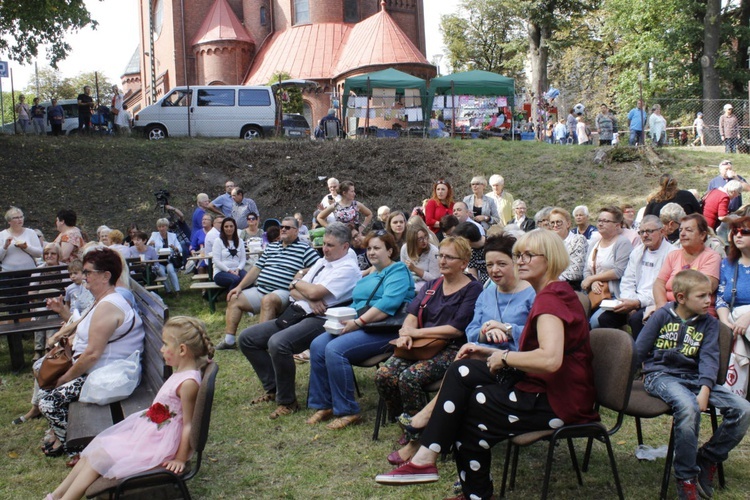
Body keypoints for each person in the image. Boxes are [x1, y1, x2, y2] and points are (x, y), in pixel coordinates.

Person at [375, 229, 597, 499]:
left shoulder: (550, 300)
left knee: (467, 404)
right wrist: (484, 349)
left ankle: (431, 459)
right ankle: (439, 467)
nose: (521, 261)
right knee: (463, 371)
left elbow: (550, 360)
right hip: (542, 388)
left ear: (549, 259)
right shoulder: (550, 293)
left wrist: (503, 357)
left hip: (558, 400)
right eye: (518, 255)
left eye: (529, 255)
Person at [45, 316, 214, 499]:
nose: (161, 349)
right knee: (97, 448)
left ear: (182, 350)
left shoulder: (188, 383)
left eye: (165, 344)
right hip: (150, 434)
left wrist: (180, 458)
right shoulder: (182, 372)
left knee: (101, 456)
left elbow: (188, 424)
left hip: (159, 445)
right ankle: (57, 495)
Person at [635, 270, 750, 499]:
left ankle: (707, 458)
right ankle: (686, 477)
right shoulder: (661, 316)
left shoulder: (709, 324)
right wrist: (625, 379)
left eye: (710, 295)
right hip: (662, 375)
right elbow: (638, 349)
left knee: (744, 409)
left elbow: (709, 359)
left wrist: (705, 390)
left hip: (696, 379)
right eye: (702, 296)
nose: (709, 301)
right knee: (688, 407)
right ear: (680, 297)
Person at [238, 222, 360, 419]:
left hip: (321, 320)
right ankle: (275, 387)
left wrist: (301, 286)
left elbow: (313, 290)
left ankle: (287, 402)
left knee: (278, 343)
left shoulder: (347, 267)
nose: (324, 249)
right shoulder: (323, 261)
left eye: (330, 245)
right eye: (324, 244)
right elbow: (293, 289)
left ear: (345, 247)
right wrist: (302, 289)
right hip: (296, 312)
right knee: (247, 338)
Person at [37, 248, 146, 456]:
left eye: (88, 272)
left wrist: (65, 378)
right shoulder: (102, 300)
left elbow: (93, 355)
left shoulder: (108, 305)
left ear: (106, 276)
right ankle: (67, 440)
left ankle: (77, 450)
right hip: (98, 371)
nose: (84, 276)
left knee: (48, 402)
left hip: (109, 376)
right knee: (45, 388)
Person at [307, 232, 416, 430]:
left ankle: (349, 410)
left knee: (334, 349)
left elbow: (388, 304)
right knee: (318, 345)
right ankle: (324, 404)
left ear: (390, 250)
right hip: (362, 324)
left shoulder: (398, 270)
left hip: (386, 330)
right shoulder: (370, 272)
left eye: (377, 248)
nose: (371, 252)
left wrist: (358, 322)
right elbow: (357, 301)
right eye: (369, 248)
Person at [374, 236, 483, 420]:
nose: (442, 261)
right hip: (421, 345)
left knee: (410, 377)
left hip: (452, 348)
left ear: (463, 263)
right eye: (440, 255)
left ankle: (416, 425)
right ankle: (400, 415)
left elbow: (456, 329)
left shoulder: (473, 289)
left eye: (449, 257)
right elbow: (412, 315)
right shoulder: (432, 285)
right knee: (383, 375)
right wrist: (406, 334)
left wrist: (415, 333)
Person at [218, 216, 320, 350]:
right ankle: (229, 341)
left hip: (285, 292)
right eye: (281, 227)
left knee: (268, 300)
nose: (283, 229)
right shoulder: (271, 247)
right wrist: (239, 287)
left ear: (296, 231)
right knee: (234, 298)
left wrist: (302, 271)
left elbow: (320, 266)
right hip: (261, 289)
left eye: (287, 227)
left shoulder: (305, 249)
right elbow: (256, 269)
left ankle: (260, 344)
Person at [596, 215, 674, 338]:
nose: (645, 235)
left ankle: (640, 355)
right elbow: (627, 280)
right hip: (633, 300)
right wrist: (630, 301)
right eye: (642, 232)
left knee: (637, 319)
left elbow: (663, 288)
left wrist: (637, 303)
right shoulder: (637, 252)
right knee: (605, 319)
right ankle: (620, 352)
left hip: (656, 302)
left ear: (662, 231)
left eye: (649, 231)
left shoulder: (672, 254)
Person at [653, 214, 721, 318]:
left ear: (702, 235)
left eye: (688, 230)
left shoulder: (712, 257)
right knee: (638, 319)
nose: (683, 234)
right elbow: (659, 283)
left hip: (697, 313)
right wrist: (661, 307)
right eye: (681, 230)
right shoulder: (673, 255)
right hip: (669, 309)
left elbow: (703, 288)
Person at [582, 206, 634, 328]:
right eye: (599, 220)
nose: (600, 224)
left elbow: (619, 271)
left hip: (614, 296)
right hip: (592, 294)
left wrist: (593, 278)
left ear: (617, 225)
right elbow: (586, 269)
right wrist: (592, 281)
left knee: (595, 322)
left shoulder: (622, 243)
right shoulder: (595, 243)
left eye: (605, 221)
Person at [716, 217, 750, 340]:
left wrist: (747, 318)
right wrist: (725, 322)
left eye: (745, 232)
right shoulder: (727, 264)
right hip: (734, 320)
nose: (738, 235)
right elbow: (721, 298)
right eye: (735, 231)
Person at [549, 207, 587, 290]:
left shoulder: (578, 240)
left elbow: (576, 271)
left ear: (568, 224)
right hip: (550, 286)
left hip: (572, 287)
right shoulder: (549, 243)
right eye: (552, 223)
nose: (555, 225)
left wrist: (552, 281)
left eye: (558, 222)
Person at [0, 206, 43, 271]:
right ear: (9, 221)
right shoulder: (2, 234)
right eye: (16, 218)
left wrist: (26, 247)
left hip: (29, 271)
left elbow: (39, 253)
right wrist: (5, 247)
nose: (20, 219)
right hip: (8, 272)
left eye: (21, 217)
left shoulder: (31, 232)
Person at [147, 218, 181, 295]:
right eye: (159, 227)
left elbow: (180, 248)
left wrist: (175, 248)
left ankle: (177, 290)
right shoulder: (154, 235)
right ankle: (168, 290)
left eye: (163, 226)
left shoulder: (172, 236)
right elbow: (147, 248)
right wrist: (150, 244)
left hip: (169, 259)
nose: (161, 228)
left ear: (167, 227)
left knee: (170, 270)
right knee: (161, 271)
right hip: (159, 260)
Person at [401, 225, 439, 292]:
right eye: (420, 239)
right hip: (409, 279)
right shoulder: (405, 248)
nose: (424, 241)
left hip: (426, 282)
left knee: (413, 288)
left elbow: (434, 278)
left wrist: (414, 269)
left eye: (425, 237)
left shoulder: (433, 251)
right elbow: (402, 269)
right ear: (412, 241)